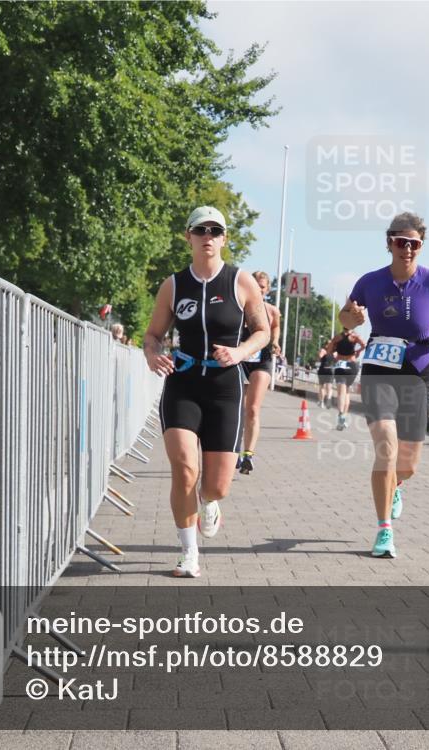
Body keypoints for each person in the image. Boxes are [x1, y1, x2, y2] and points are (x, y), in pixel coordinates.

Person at [143, 206, 270, 577]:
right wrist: (153, 354)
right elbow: (152, 335)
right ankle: (189, 552)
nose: (208, 236)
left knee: (216, 485)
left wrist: (241, 352)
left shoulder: (240, 281)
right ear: (189, 236)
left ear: (224, 238)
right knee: (184, 469)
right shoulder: (174, 284)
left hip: (225, 387)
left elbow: (262, 331)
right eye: (201, 230)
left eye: (216, 231)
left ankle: (210, 502)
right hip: (183, 382)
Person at [339, 212, 429, 559]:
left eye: (414, 244)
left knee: (407, 464)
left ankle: (397, 486)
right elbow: (346, 315)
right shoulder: (370, 281)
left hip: (418, 370)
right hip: (379, 368)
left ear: (421, 246)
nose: (407, 249)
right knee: (386, 449)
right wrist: (354, 317)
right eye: (400, 242)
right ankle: (383, 531)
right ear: (389, 242)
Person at [237, 271, 282, 475]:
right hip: (239, 360)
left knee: (253, 408)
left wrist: (275, 343)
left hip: (261, 360)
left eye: (262, 286)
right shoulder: (238, 307)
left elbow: (275, 329)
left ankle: (248, 454)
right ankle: (232, 450)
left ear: (267, 289)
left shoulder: (272, 311)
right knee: (237, 407)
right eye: (256, 284)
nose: (259, 288)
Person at [329, 328, 364, 430]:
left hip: (340, 363)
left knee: (341, 392)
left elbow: (329, 350)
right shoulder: (355, 337)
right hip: (352, 364)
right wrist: (357, 352)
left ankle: (340, 415)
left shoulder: (337, 337)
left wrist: (334, 355)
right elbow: (364, 345)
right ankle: (344, 416)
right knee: (347, 391)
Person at [316, 342, 336, 408]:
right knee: (329, 387)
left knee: (322, 387)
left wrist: (321, 353)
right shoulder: (335, 352)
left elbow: (319, 358)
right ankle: (327, 400)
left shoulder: (323, 350)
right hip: (330, 370)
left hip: (323, 369)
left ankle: (322, 402)